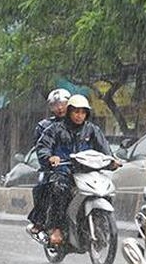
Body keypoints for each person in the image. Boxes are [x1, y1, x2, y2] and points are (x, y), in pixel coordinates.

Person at [36, 94, 116, 245]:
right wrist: (50, 157)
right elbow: (43, 147)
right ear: (69, 112)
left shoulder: (92, 130)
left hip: (86, 171)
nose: (80, 116)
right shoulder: (55, 129)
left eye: (83, 112)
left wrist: (112, 160)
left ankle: (101, 222)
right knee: (60, 189)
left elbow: (104, 148)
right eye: (76, 112)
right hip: (63, 171)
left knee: (105, 188)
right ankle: (56, 228)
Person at [26, 88, 71, 237]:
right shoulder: (44, 127)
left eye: (63, 103)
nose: (59, 107)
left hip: (77, 167)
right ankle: (45, 222)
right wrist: (50, 158)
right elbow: (41, 148)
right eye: (55, 104)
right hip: (54, 169)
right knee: (47, 188)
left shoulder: (83, 125)